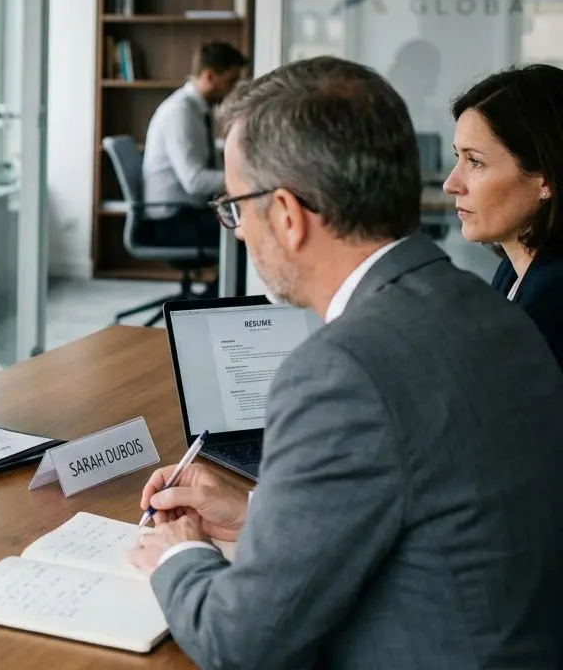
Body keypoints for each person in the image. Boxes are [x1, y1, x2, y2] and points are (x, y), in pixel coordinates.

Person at [128, 56, 563, 668]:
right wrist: (258, 514)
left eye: (235, 209)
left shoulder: (339, 371)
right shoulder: (485, 305)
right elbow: (430, 508)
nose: (239, 233)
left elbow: (241, 642)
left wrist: (175, 553)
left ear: (285, 214)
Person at [443, 64, 563, 368]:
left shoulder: (552, 305)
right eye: (459, 157)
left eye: (475, 162)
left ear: (545, 179)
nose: (451, 184)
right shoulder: (514, 271)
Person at [141, 41, 248, 250]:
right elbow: (195, 181)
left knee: (245, 224)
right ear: (209, 76)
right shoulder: (180, 112)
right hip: (171, 220)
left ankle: (219, 284)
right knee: (247, 234)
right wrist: (244, 179)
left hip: (187, 212)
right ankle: (220, 285)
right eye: (231, 81)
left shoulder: (196, 110)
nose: (234, 89)